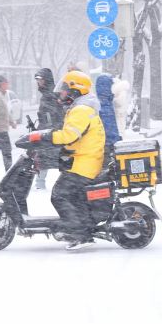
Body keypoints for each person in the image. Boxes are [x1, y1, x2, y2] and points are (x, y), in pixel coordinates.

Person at [48, 71, 105, 250]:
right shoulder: (81, 108)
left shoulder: (81, 110)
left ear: (75, 90)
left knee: (59, 194)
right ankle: (84, 229)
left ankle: (77, 233)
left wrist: (46, 137)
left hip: (84, 164)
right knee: (74, 196)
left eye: (65, 90)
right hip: (85, 160)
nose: (62, 93)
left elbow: (69, 135)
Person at [33, 68, 65, 190]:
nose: (38, 82)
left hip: (51, 132)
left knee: (47, 158)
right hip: (49, 131)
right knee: (49, 158)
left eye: (40, 79)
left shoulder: (50, 93)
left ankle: (41, 185)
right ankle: (41, 184)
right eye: (37, 80)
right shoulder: (48, 92)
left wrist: (48, 128)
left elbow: (53, 114)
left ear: (46, 79)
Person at [95, 74, 122, 166]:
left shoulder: (105, 103)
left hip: (105, 147)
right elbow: (108, 129)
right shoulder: (103, 105)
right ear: (107, 88)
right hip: (107, 148)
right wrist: (115, 141)